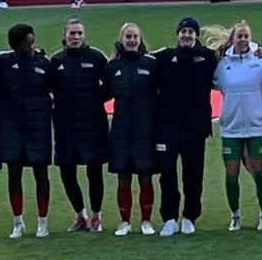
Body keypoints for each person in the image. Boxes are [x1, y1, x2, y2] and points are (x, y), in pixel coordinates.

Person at [152, 16, 218, 236]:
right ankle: (169, 218)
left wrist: (256, 50)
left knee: (193, 173)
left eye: (191, 31)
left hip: (195, 127)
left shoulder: (207, 57)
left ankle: (190, 216)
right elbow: (137, 57)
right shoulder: (163, 57)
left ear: (196, 35)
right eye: (183, 31)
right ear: (177, 34)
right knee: (167, 173)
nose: (187, 35)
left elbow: (235, 51)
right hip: (167, 127)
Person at [0, 23, 56, 238]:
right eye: (27, 43)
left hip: (38, 125)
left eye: (32, 42)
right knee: (14, 173)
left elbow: (57, 89)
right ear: (16, 45)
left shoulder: (44, 63)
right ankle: (18, 222)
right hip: (12, 126)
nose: (31, 46)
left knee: (41, 173)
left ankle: (43, 222)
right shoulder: (3, 62)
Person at [213, 21, 262, 230]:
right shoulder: (222, 65)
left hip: (256, 126)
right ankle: (235, 215)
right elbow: (210, 81)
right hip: (231, 127)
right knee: (231, 172)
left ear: (251, 39)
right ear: (233, 38)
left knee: (259, 171)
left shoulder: (261, 61)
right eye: (239, 36)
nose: (242, 40)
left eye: (246, 36)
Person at [51, 19, 112, 233]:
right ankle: (80, 216)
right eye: (72, 33)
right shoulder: (56, 60)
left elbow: (111, 84)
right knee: (67, 171)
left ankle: (96, 216)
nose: (75, 37)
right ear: (65, 36)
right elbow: (46, 88)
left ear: (84, 36)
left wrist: (95, 99)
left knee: (94, 172)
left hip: (92, 125)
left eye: (79, 33)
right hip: (65, 126)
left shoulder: (96, 57)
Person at [107, 22, 160, 235]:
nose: (131, 40)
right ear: (121, 40)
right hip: (121, 129)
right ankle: (125, 221)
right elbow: (102, 92)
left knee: (145, 175)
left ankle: (146, 221)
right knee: (123, 176)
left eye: (135, 37)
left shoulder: (151, 64)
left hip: (145, 129)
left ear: (140, 40)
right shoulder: (112, 67)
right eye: (128, 37)